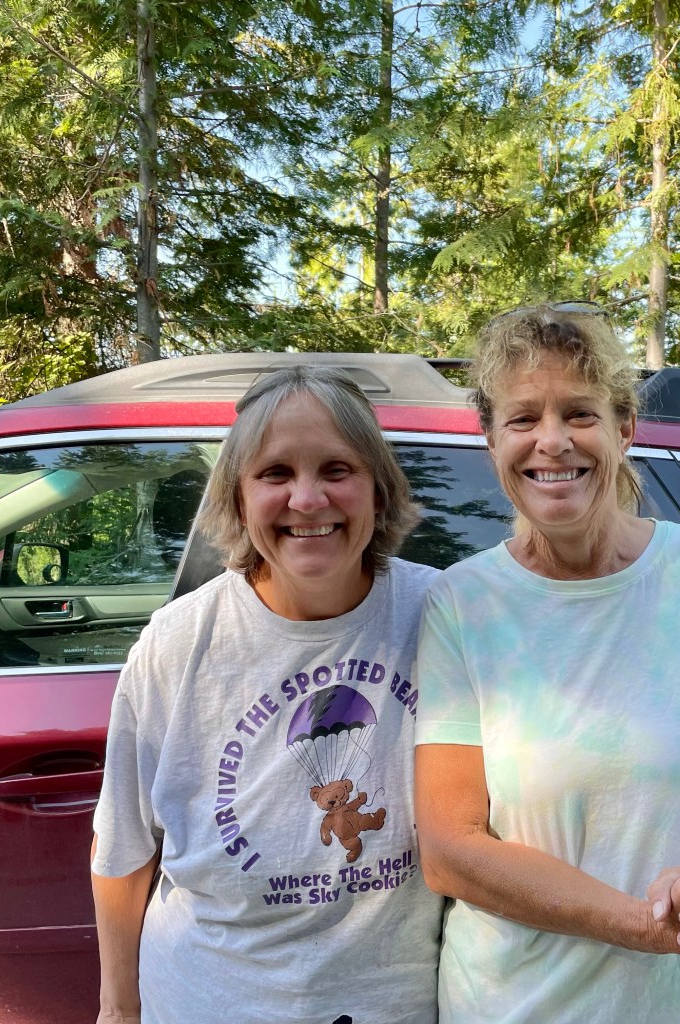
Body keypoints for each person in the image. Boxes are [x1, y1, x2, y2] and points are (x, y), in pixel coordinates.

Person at [413, 303, 680, 1023]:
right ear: (491, 438)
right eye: (523, 418)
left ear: (625, 427)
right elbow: (451, 850)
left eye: (580, 413)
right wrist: (652, 927)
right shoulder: (463, 603)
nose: (553, 441)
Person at [91, 366, 443, 1024]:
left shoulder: (441, 614)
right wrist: (118, 1010)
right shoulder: (178, 644)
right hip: (209, 1001)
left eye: (337, 469)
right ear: (238, 496)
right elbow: (123, 846)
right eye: (275, 473)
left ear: (378, 489)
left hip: (391, 1006)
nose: (307, 499)